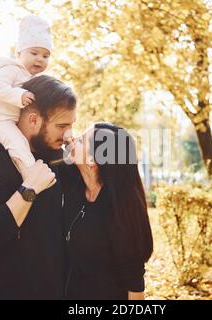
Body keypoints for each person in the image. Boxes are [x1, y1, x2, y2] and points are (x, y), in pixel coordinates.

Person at [0, 75, 76, 300]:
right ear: (33, 120)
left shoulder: (60, 161)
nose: (68, 135)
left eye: (71, 126)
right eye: (62, 126)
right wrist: (28, 190)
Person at [60, 122, 153, 300]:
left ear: (92, 161)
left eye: (81, 140)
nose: (73, 139)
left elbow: (134, 285)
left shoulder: (120, 212)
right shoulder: (73, 183)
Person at [0, 15, 53, 168]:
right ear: (18, 54)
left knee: (25, 142)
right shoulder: (10, 69)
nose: (40, 59)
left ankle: (29, 168)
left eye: (46, 56)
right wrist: (19, 95)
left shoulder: (31, 79)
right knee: (17, 142)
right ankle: (31, 172)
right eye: (34, 53)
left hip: (10, 121)